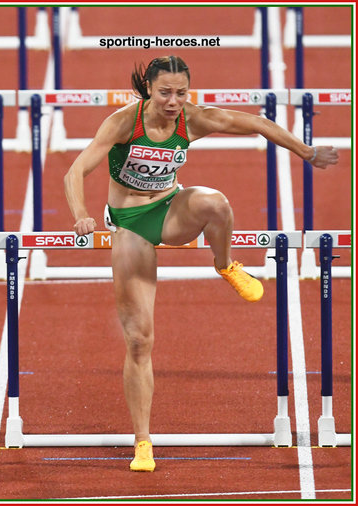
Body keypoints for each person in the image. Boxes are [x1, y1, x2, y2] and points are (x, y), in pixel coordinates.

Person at [64, 55, 339, 472]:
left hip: (171, 210)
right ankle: (142, 442)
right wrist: (80, 214)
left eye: (181, 93)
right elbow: (76, 170)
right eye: (164, 93)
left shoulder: (194, 119)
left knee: (216, 202)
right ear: (148, 90)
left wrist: (306, 151)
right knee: (139, 339)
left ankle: (226, 264)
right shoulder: (124, 121)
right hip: (130, 225)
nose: (173, 101)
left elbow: (259, 124)